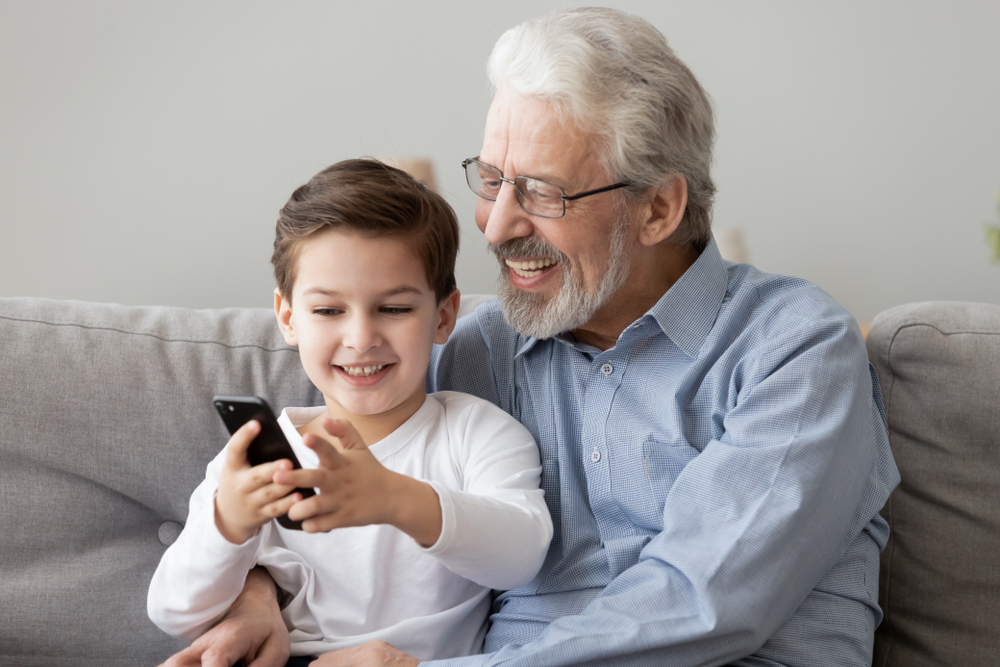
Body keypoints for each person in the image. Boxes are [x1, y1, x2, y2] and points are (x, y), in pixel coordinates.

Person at [161, 7, 900, 667]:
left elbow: (706, 605)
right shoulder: (484, 347)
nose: (494, 224)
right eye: (490, 179)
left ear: (658, 209)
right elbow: (364, 504)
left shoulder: (794, 348)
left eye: (542, 192)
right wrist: (261, 592)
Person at [147, 159, 553, 664]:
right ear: (288, 318)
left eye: (395, 308)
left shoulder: (476, 432)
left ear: (443, 315)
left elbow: (521, 555)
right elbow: (172, 613)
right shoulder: (260, 455)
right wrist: (226, 522)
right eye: (329, 310)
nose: (361, 339)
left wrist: (394, 498)